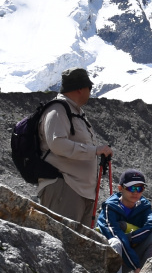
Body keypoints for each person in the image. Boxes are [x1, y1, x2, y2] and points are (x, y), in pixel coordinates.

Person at [36, 67, 113, 225]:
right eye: (89, 88)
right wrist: (95, 151)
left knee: (77, 247)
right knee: (62, 242)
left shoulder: (76, 113)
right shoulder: (57, 110)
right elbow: (57, 143)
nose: (90, 91)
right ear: (80, 89)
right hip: (64, 188)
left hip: (80, 192)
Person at [98, 167, 152, 273]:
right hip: (110, 259)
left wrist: (132, 237)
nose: (136, 192)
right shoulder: (109, 208)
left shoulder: (143, 206)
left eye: (140, 188)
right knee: (116, 242)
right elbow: (118, 238)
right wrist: (136, 266)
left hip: (130, 255)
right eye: (132, 188)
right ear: (120, 188)